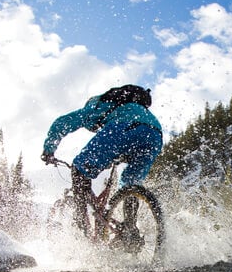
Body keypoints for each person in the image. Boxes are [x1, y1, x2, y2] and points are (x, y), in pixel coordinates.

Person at [41, 84, 162, 229]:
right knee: (131, 184)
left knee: (79, 168)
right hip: (155, 134)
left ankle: (81, 226)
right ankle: (130, 230)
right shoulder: (132, 107)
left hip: (125, 126)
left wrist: (49, 150)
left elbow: (62, 123)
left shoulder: (96, 106)